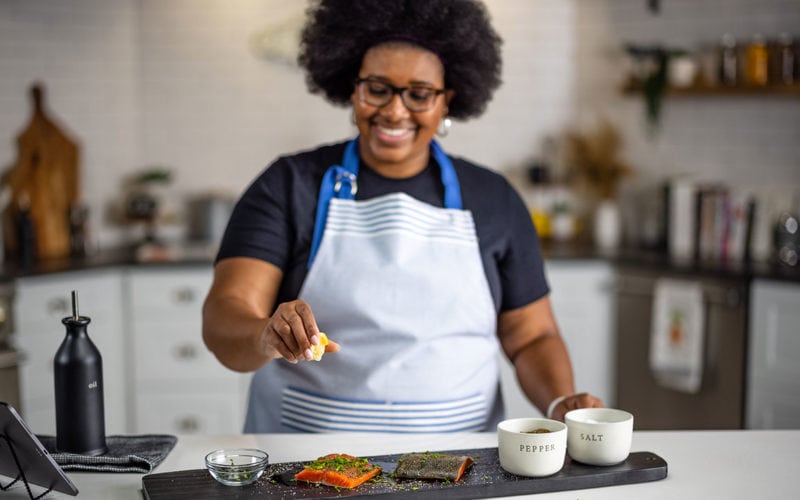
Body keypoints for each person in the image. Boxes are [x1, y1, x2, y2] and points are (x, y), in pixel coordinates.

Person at [202, 0, 602, 433]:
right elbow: (227, 313)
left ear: (446, 101)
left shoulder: (494, 198)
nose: (394, 111)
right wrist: (266, 335)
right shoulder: (288, 185)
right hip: (304, 459)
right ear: (352, 90)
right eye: (378, 88)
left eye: (419, 93)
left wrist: (560, 400)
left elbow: (532, 335)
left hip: (460, 462)